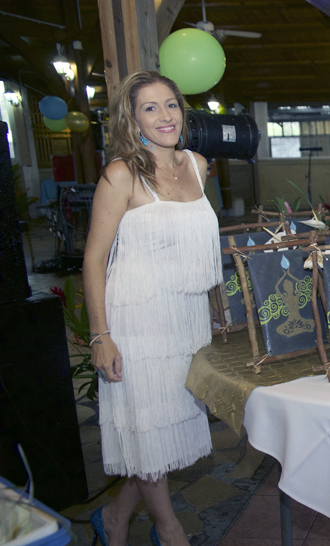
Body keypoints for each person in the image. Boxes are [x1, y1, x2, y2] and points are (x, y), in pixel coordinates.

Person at [83, 71, 221, 546]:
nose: (165, 116)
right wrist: (100, 337)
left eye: (171, 105)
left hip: (184, 321)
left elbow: (197, 250)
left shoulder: (199, 166)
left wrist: (215, 308)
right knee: (148, 431)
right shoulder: (121, 174)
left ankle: (114, 518)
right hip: (135, 323)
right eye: (150, 108)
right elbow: (94, 260)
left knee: (157, 439)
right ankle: (170, 529)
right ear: (133, 118)